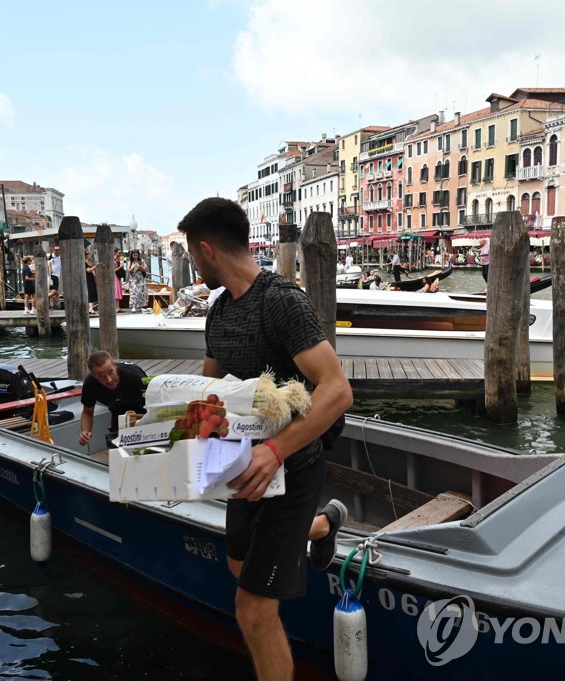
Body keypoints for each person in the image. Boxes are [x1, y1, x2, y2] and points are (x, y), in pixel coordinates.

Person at [178, 197, 354, 681]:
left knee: (253, 610)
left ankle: (310, 521)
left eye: (193, 255)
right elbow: (209, 395)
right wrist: (158, 447)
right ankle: (321, 528)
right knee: (238, 565)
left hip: (291, 467)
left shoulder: (281, 301)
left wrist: (276, 450)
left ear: (206, 250)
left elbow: (338, 391)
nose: (194, 265)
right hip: (243, 466)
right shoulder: (218, 314)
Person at [78, 351, 146, 446]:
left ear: (115, 365)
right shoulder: (90, 384)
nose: (109, 380)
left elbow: (152, 404)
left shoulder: (135, 377)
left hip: (141, 407)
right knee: (116, 446)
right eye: (102, 377)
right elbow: (87, 412)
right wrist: (85, 431)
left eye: (111, 372)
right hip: (117, 410)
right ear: (94, 376)